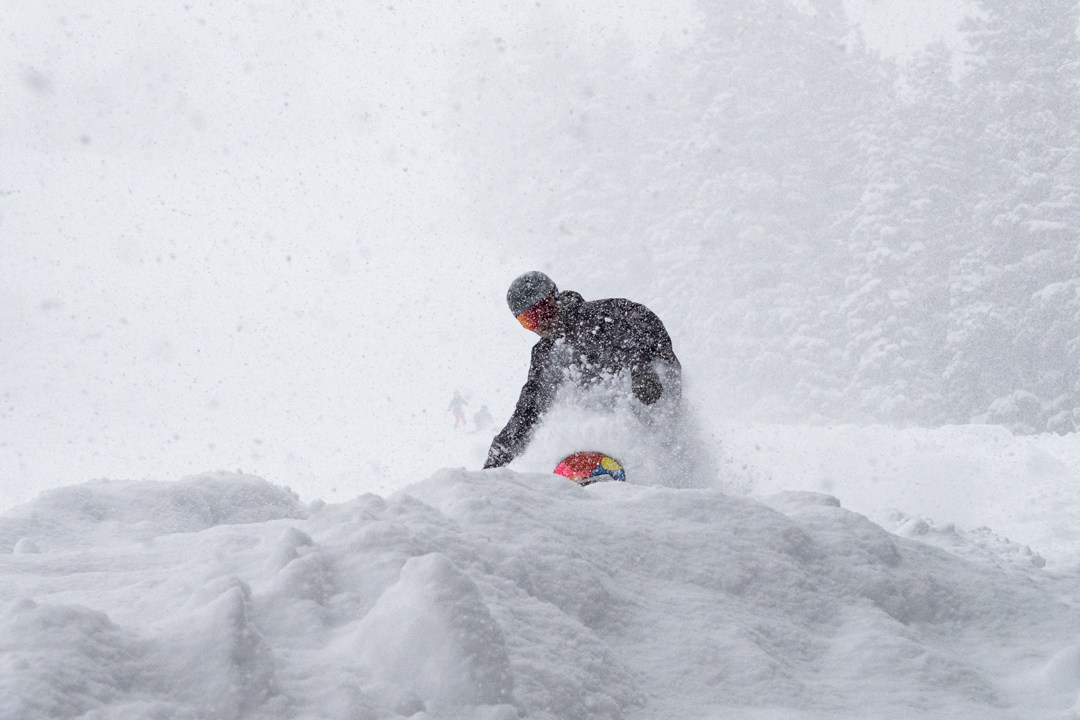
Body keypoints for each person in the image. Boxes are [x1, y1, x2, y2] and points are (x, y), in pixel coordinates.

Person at [484, 271, 682, 469]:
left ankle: (662, 466)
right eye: (530, 320)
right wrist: (497, 457)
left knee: (639, 402)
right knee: (565, 414)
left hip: (649, 403)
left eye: (544, 310)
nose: (541, 323)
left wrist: (643, 368)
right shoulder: (544, 354)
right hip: (603, 427)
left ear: (556, 298)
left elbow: (648, 328)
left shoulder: (605, 313)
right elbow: (529, 409)